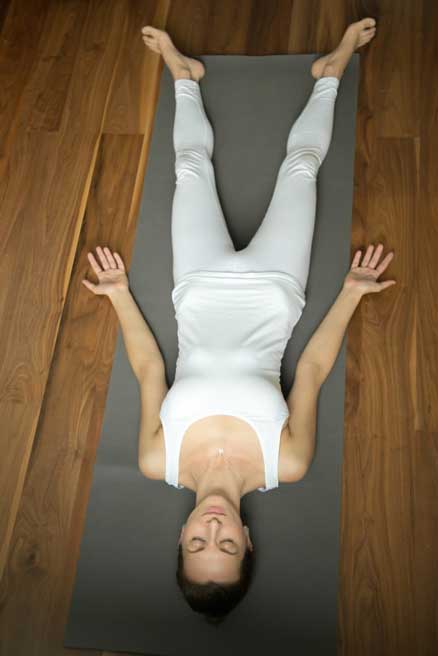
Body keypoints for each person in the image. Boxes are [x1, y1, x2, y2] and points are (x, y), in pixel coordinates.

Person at [82, 18, 395, 623]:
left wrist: (119, 293)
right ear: (249, 545)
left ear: (180, 542)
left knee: (190, 165)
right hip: (277, 291)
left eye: (199, 545)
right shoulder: (287, 463)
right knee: (301, 166)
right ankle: (330, 72)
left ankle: (185, 74)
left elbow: (150, 367)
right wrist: (353, 292)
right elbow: (311, 368)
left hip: (196, 288)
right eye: (227, 546)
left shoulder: (159, 459)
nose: (214, 531)